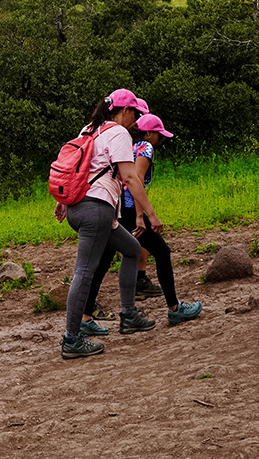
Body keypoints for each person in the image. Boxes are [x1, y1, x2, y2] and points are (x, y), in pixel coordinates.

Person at [60, 90, 167, 359]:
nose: (137, 120)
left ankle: (129, 315)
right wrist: (151, 214)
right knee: (84, 271)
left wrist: (63, 200)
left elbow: (77, 165)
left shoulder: (90, 128)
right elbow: (130, 178)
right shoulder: (118, 133)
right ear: (123, 111)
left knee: (131, 249)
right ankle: (72, 339)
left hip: (80, 206)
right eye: (135, 113)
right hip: (95, 209)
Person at [82, 113, 203, 328]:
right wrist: (141, 216)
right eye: (159, 135)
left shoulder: (127, 145)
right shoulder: (146, 148)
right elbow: (134, 181)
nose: (161, 140)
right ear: (148, 133)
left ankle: (86, 317)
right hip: (129, 209)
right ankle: (174, 309)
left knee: (103, 261)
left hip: (115, 207)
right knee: (162, 251)